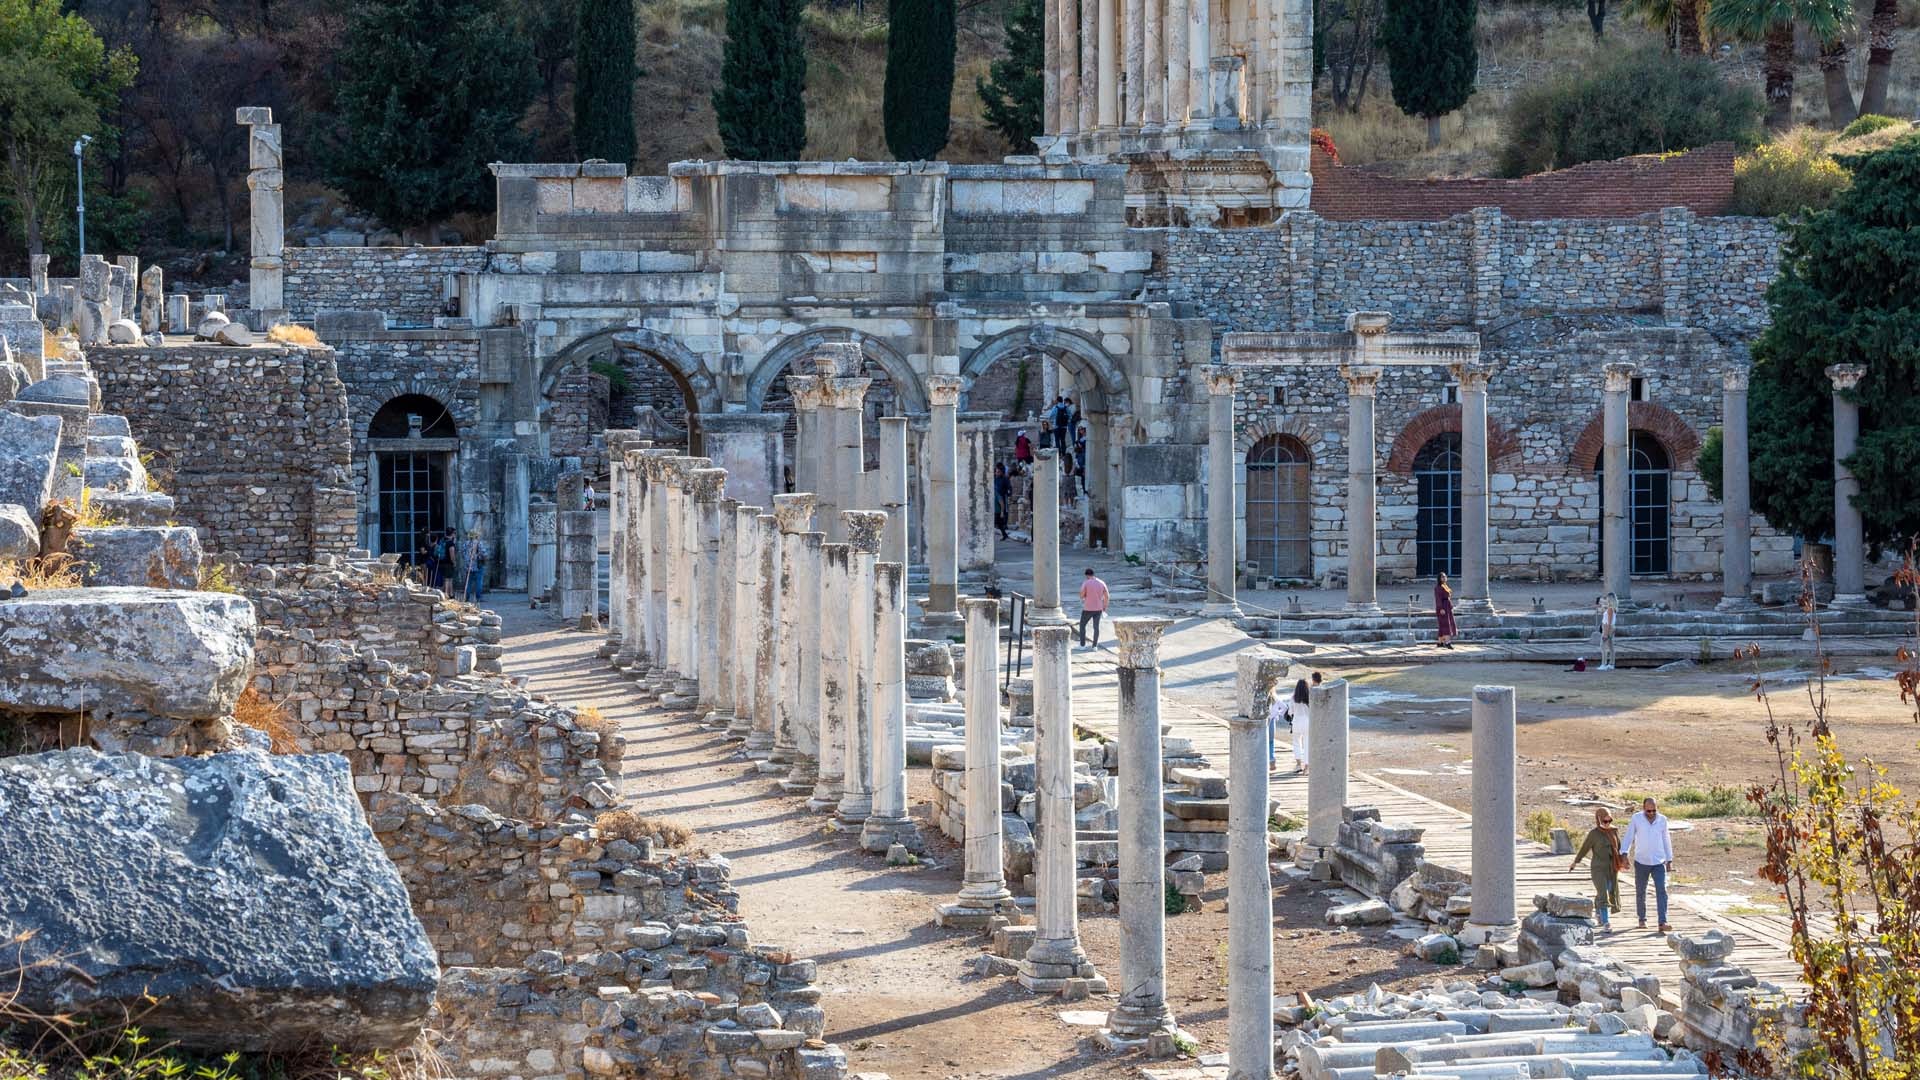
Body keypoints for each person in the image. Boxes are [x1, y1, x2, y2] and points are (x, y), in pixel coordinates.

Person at [1621, 797, 1674, 931]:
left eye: (1654, 811)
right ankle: (1642, 919)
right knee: (1641, 891)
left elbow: (1666, 839)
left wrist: (1669, 859)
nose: (1651, 813)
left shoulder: (1662, 820)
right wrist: (1624, 854)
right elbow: (1629, 836)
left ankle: (1662, 922)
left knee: (1662, 890)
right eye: (1648, 811)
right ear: (1643, 808)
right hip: (1641, 861)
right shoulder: (1636, 818)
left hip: (1658, 861)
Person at [1570, 807, 1624, 930]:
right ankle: (1606, 922)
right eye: (1605, 821)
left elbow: (1619, 848)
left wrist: (1623, 860)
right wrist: (1575, 862)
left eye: (1609, 820)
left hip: (1611, 869)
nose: (1607, 823)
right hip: (1598, 868)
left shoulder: (1614, 831)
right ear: (1599, 819)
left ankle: (1598, 911)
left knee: (1607, 890)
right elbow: (1584, 849)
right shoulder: (1594, 834)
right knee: (1603, 894)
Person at [1078, 567, 1108, 648]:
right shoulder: (1101, 583)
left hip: (1088, 608)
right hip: (1099, 608)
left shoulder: (1086, 583)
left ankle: (1082, 645)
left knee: (1082, 625)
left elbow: (1081, 595)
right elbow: (1107, 596)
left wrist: (1085, 595)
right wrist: (1104, 606)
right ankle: (1094, 646)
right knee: (1096, 627)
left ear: (1087, 575)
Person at [1287, 677, 1311, 773]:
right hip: (1308, 722)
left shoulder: (1293, 698)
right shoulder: (1310, 697)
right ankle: (1307, 766)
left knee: (1296, 743)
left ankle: (1298, 764)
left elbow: (1290, 712)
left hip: (1296, 722)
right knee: (1307, 743)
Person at [461, 530, 488, 604]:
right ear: (476, 536)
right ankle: (478, 597)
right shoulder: (479, 543)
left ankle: (466, 597)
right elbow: (484, 554)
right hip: (477, 565)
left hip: (468, 566)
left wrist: (467, 559)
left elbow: (463, 553)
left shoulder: (465, 543)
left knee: (468, 582)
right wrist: (481, 558)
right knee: (479, 581)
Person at [1434, 571, 1457, 649]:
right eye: (1442, 577)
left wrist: (1450, 606)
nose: (1444, 578)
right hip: (1442, 607)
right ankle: (1447, 642)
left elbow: (1448, 597)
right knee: (1446, 624)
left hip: (1447, 606)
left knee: (1442, 625)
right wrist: (1441, 608)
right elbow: (1438, 599)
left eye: (1445, 577)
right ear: (1439, 578)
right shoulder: (1438, 587)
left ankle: (1440, 642)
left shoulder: (1445, 586)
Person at [1597, 594, 1618, 670]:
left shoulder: (1610, 609)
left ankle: (1604, 664)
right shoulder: (1612, 608)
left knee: (1603, 646)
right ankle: (1611, 664)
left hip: (1607, 628)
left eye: (1607, 598)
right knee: (1611, 647)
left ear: (1610, 599)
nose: (1606, 600)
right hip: (1610, 628)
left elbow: (1608, 622)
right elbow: (1601, 610)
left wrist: (1606, 633)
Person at [993, 462, 1012, 540]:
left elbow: (1009, 488)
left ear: (1002, 472)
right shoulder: (995, 479)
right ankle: (1004, 533)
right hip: (995, 498)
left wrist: (1009, 493)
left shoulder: (1005, 479)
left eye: (998, 472)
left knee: (1003, 513)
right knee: (997, 518)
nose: (996, 473)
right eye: (996, 471)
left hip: (1002, 498)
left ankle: (1004, 525)